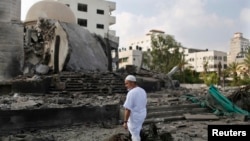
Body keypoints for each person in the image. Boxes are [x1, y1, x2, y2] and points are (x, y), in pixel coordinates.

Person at [123, 75, 147, 141]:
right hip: (142, 115)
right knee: (138, 130)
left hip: (135, 117)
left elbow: (127, 109)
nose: (126, 85)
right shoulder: (142, 90)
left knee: (135, 135)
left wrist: (125, 122)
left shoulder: (131, 93)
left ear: (132, 83)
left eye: (127, 83)